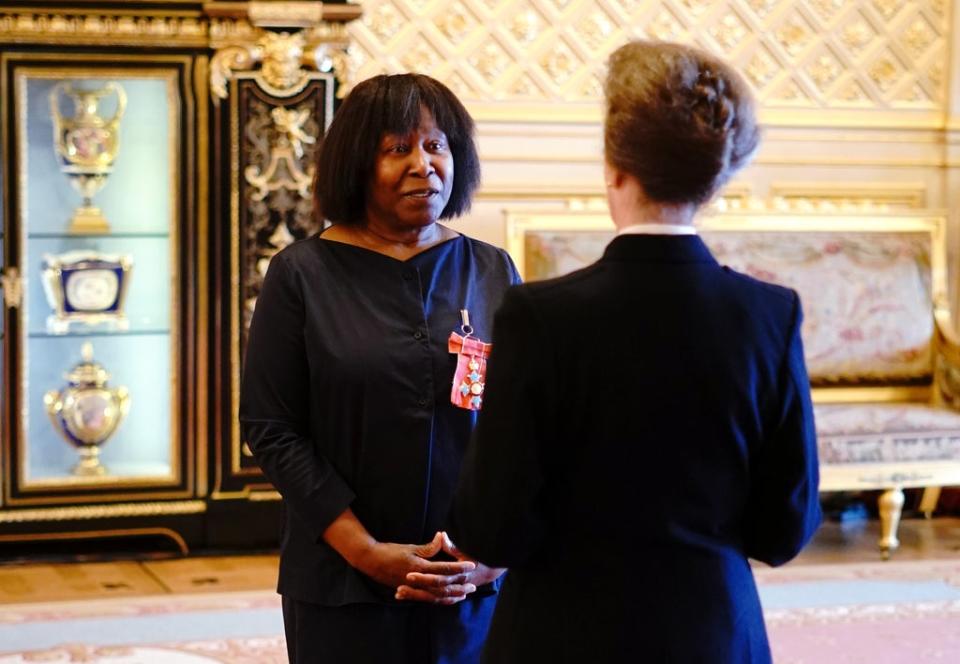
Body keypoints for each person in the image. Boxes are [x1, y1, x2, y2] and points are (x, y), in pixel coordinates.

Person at [449, 40, 822, 663]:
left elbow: (493, 526)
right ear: (714, 178)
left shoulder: (539, 315)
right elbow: (786, 527)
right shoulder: (768, 315)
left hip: (559, 633)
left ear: (614, 166)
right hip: (711, 630)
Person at [240, 73, 518, 664]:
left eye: (436, 145)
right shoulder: (301, 274)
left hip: (472, 580)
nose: (423, 164)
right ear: (356, 164)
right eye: (398, 149)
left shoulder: (493, 271)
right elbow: (271, 427)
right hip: (343, 583)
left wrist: (494, 557)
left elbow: (527, 424)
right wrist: (365, 550)